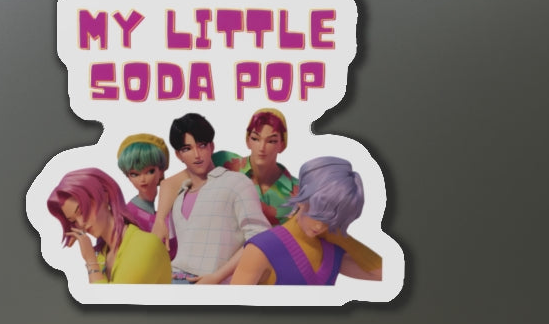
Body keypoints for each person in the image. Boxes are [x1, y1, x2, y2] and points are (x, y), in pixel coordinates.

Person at [153, 112, 268, 283]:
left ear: (211, 147)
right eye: (187, 149)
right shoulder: (179, 195)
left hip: (210, 284)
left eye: (202, 145)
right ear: (178, 155)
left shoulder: (235, 182)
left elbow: (260, 237)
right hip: (172, 279)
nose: (197, 155)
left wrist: (217, 276)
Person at [230, 156, 383, 285]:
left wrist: (342, 237)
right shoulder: (262, 248)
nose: (320, 225)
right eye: (316, 214)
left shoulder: (331, 249)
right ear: (302, 198)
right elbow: (233, 305)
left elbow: (382, 274)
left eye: (329, 219)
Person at [47, 168, 171, 284]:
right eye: (73, 220)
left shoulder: (146, 245)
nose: (81, 223)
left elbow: (111, 299)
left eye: (82, 211)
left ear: (104, 196)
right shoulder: (102, 255)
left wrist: (91, 261)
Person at [212, 108, 298, 226]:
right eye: (255, 139)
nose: (262, 148)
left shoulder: (300, 191)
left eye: (271, 141)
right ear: (248, 141)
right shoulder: (223, 162)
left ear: (282, 145)